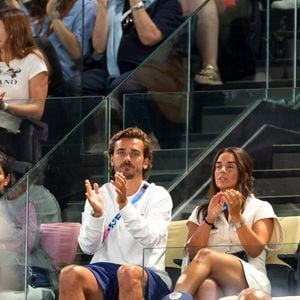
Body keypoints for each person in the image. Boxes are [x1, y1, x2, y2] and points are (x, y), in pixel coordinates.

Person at [59, 127, 173, 299]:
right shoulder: (99, 194)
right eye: (121, 152)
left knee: (128, 273)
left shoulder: (158, 195)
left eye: (134, 153)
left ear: (146, 161)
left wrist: (124, 205)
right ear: (112, 159)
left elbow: (151, 239)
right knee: (69, 274)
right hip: (104, 271)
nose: (127, 158)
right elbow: (88, 247)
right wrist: (97, 216)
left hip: (146, 273)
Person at [163, 147, 283, 300]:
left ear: (244, 175)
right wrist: (209, 219)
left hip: (250, 276)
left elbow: (255, 250)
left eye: (230, 166)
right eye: (218, 166)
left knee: (206, 255)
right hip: (212, 278)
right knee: (206, 286)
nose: (222, 170)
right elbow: (193, 254)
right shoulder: (200, 212)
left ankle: (175, 298)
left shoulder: (260, 207)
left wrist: (236, 216)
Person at [0, 8, 49, 161]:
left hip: (11, 135)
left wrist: (4, 106)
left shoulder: (33, 61)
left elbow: (37, 110)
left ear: (13, 32)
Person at [21, 0, 97, 84]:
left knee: (42, 44)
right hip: (39, 65)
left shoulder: (87, 6)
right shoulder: (58, 4)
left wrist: (53, 16)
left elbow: (77, 53)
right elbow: (34, 35)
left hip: (63, 72)